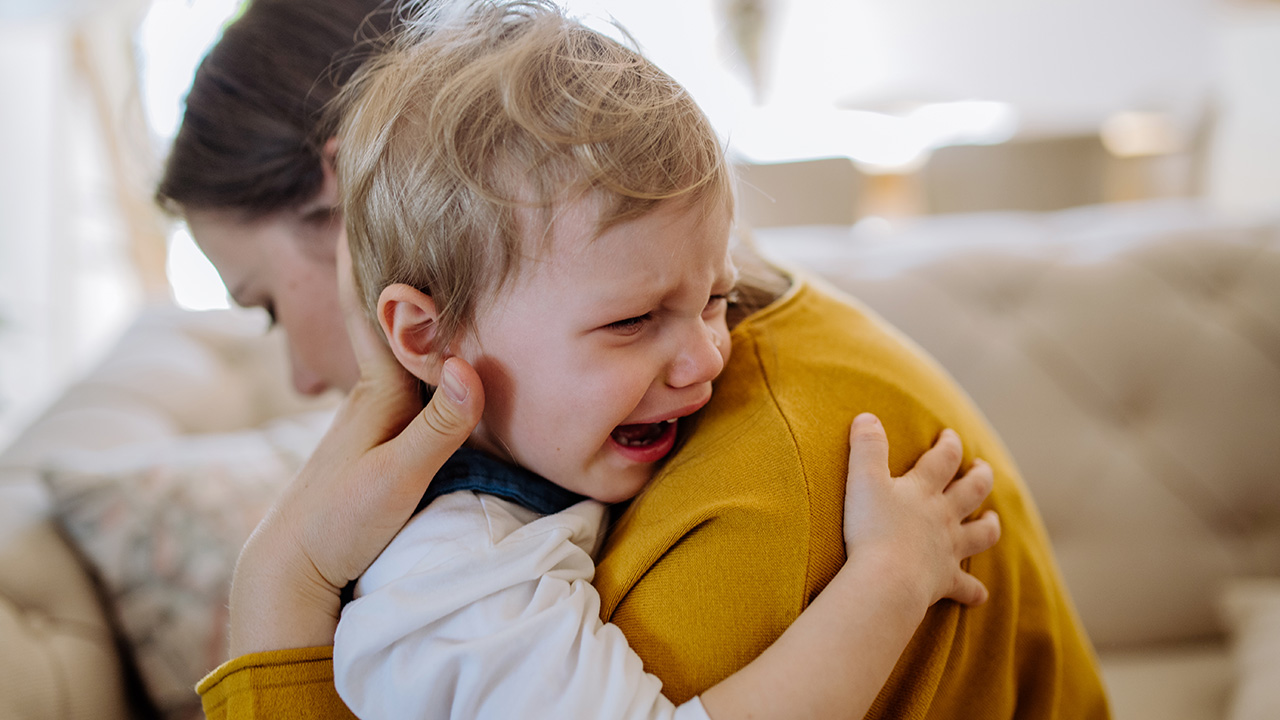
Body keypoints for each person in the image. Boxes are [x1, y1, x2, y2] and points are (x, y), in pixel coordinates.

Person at [156, 0, 1111, 717]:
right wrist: (891, 581)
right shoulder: (462, 574)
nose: (705, 356)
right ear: (423, 327)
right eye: (631, 321)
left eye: (713, 298)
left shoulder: (742, 455)